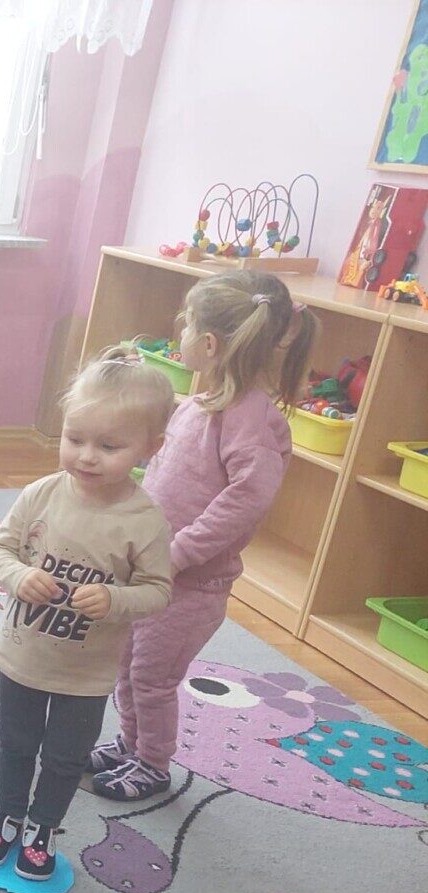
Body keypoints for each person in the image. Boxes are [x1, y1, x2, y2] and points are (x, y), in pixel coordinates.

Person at [90, 272, 318, 801]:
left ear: (210, 344)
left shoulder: (253, 422)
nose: (180, 331)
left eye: (187, 323)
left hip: (190, 587)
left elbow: (246, 500)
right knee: (127, 664)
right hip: (152, 573)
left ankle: (153, 763)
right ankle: (131, 744)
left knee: (153, 676)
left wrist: (179, 553)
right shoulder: (200, 403)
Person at [0, 349, 174, 881]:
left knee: (66, 757)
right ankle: (7, 814)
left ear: (151, 448)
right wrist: (18, 576)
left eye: (109, 446)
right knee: (14, 742)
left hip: (86, 673)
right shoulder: (41, 494)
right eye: (74, 438)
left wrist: (115, 599)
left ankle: (43, 827)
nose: (87, 456)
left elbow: (158, 591)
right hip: (23, 657)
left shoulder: (145, 520)